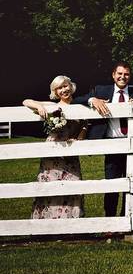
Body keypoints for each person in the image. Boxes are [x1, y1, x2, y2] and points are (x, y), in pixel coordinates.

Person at [75, 61, 133, 217]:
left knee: (132, 185)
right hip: (112, 146)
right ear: (113, 75)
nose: (122, 77)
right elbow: (76, 100)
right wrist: (92, 100)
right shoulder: (101, 90)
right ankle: (110, 220)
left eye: (126, 74)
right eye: (119, 74)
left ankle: (126, 217)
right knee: (112, 185)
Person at [23, 75, 87, 219]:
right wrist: (40, 106)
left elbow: (84, 126)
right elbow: (26, 101)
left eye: (65, 86)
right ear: (55, 91)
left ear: (71, 86)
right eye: (59, 88)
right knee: (50, 183)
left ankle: (71, 221)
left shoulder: (80, 106)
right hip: (52, 150)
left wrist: (78, 139)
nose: (63, 90)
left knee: (72, 183)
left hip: (70, 150)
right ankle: (46, 222)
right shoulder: (53, 106)